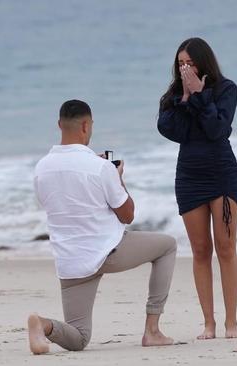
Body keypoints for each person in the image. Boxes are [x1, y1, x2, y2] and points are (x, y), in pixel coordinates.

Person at [28, 99, 177, 354]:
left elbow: (59, 206)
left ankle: (43, 325)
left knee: (79, 339)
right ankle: (152, 330)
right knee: (167, 246)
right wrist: (118, 178)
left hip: (70, 261)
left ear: (59, 125)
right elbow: (127, 215)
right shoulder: (100, 167)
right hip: (108, 251)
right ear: (86, 125)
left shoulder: (41, 168)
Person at [157, 37, 237, 339]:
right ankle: (209, 323)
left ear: (203, 63)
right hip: (190, 176)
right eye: (181, 63)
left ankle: (231, 322)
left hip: (222, 173)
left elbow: (218, 130)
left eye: (190, 63)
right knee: (201, 250)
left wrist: (200, 96)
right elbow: (172, 130)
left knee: (225, 247)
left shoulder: (225, 89)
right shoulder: (171, 97)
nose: (185, 69)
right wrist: (185, 99)